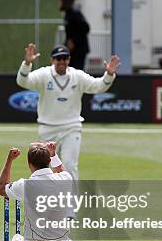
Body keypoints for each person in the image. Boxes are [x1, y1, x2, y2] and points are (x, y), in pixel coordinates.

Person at [16, 44, 120, 181]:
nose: (62, 61)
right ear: (52, 60)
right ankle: (46, 200)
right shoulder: (44, 74)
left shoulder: (77, 76)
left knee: (69, 166)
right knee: (44, 169)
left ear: (69, 59)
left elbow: (98, 86)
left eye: (65, 58)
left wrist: (109, 74)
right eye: (58, 58)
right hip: (47, 128)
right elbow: (23, 82)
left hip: (71, 128)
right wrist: (27, 63)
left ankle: (70, 201)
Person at [57, 0, 90, 70]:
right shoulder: (68, 15)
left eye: (60, 1)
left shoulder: (75, 14)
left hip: (78, 51)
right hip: (72, 51)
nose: (59, 3)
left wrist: (74, 41)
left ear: (66, 1)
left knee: (76, 73)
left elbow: (86, 28)